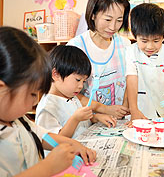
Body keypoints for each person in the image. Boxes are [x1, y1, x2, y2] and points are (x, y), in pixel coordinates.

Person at [0, 27, 96, 177]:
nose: (33, 103)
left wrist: (74, 144)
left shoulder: (19, 120)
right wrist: (48, 168)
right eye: (32, 93)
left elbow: (42, 135)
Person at [67, 0, 131, 119]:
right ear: (93, 15)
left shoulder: (125, 45)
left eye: (119, 20)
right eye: (107, 19)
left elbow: (129, 81)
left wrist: (124, 109)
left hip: (118, 122)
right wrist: (105, 110)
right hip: (85, 122)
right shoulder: (75, 47)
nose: (113, 27)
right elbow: (67, 92)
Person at [35, 45, 116, 139]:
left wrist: (96, 117)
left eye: (84, 81)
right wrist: (75, 119)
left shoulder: (71, 97)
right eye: (78, 80)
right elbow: (55, 141)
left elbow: (82, 123)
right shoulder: (48, 107)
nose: (81, 86)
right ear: (56, 74)